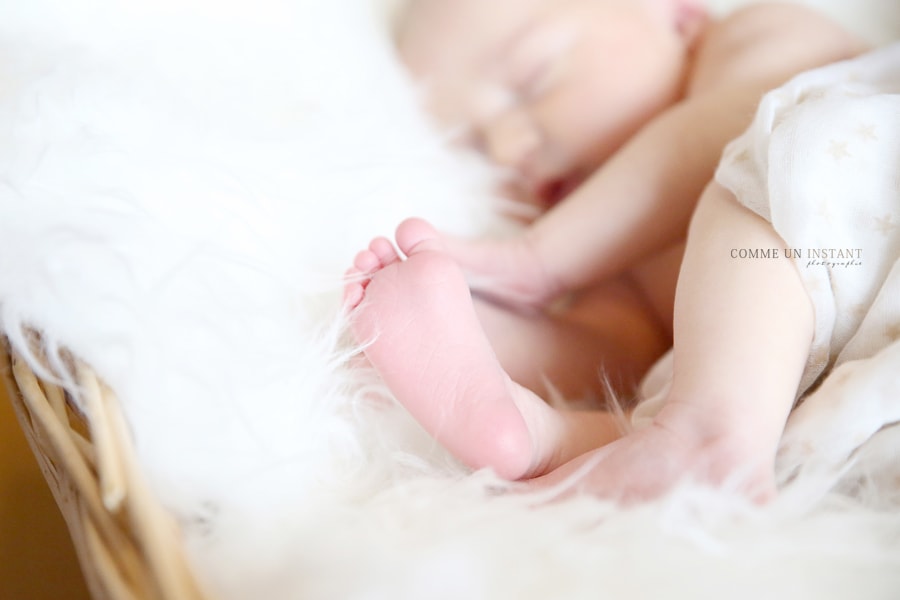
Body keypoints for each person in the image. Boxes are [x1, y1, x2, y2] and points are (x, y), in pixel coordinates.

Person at [344, 0, 868, 501]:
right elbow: (610, 355)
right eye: (478, 145)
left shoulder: (757, 37)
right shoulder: (617, 263)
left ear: (679, 14)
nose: (506, 149)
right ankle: (532, 434)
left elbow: (733, 127)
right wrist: (466, 325)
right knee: (649, 399)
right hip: (848, 400)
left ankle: (705, 437)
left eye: (532, 81)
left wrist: (537, 257)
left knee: (769, 163)